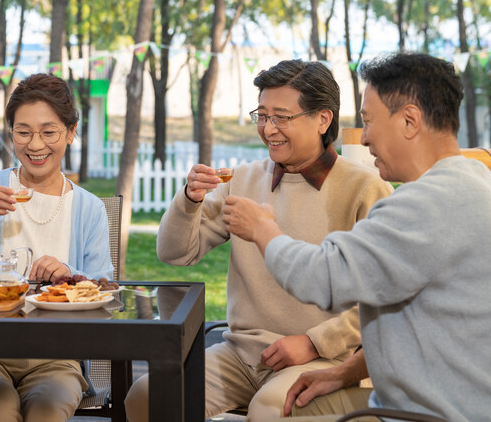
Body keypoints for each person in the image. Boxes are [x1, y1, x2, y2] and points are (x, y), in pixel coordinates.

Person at [229, 52, 491, 422]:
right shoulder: (485, 186)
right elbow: (429, 326)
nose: (365, 137)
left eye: (369, 121)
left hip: (453, 414)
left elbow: (320, 277)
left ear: (409, 121)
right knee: (279, 405)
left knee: (273, 414)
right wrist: (345, 371)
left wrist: (261, 227)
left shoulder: (427, 205)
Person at [124, 60, 392, 421]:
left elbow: (386, 300)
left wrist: (313, 342)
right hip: (240, 354)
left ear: (323, 120)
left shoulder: (365, 189)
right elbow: (174, 253)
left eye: (282, 117)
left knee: (269, 410)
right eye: (262, 115)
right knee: (146, 395)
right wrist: (189, 199)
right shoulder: (242, 180)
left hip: (321, 358)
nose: (269, 129)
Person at [0, 72, 113, 422]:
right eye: (23, 132)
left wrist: (70, 278)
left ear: (71, 132)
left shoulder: (88, 207)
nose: (35, 145)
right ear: (11, 133)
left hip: (57, 357)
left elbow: (104, 289)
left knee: (45, 414)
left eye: (49, 132)